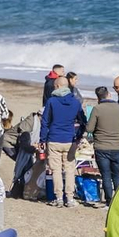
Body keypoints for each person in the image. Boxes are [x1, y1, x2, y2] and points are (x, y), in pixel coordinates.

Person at [39, 76, 86, 208]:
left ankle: (59, 197)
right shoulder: (76, 102)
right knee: (70, 169)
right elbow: (83, 121)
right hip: (69, 140)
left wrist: (42, 139)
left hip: (54, 139)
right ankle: (70, 198)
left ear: (59, 86)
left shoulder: (52, 101)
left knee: (56, 170)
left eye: (55, 86)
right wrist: (78, 136)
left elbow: (45, 122)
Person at [86, 84, 119, 203]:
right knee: (116, 174)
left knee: (106, 175)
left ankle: (109, 200)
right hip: (116, 146)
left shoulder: (97, 109)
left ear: (98, 98)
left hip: (101, 146)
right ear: (109, 94)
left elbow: (89, 129)